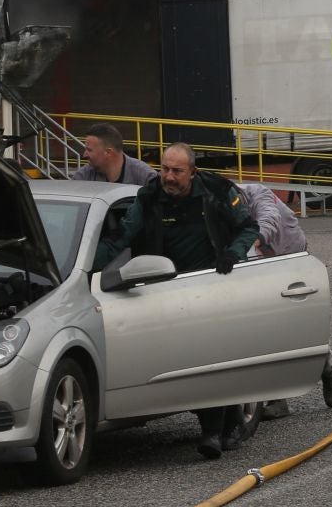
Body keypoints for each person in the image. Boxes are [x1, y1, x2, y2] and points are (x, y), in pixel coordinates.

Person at [97, 142, 260, 458]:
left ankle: (212, 432)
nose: (168, 177)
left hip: (214, 284)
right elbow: (123, 236)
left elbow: (248, 228)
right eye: (164, 169)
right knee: (186, 358)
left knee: (211, 356)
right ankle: (227, 423)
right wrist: (88, 267)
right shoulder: (149, 196)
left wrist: (232, 254)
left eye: (176, 171)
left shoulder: (218, 190)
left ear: (193, 172)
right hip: (166, 289)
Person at [238, 182, 332, 421]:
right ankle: (279, 399)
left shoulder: (257, 194)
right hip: (254, 260)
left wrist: (251, 240)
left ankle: (326, 365)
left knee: (295, 323)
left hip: (288, 255)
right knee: (264, 327)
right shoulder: (215, 203)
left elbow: (269, 220)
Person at [69, 122, 155, 186]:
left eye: (89, 150)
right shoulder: (83, 176)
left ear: (108, 152)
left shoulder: (144, 176)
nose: (84, 155)